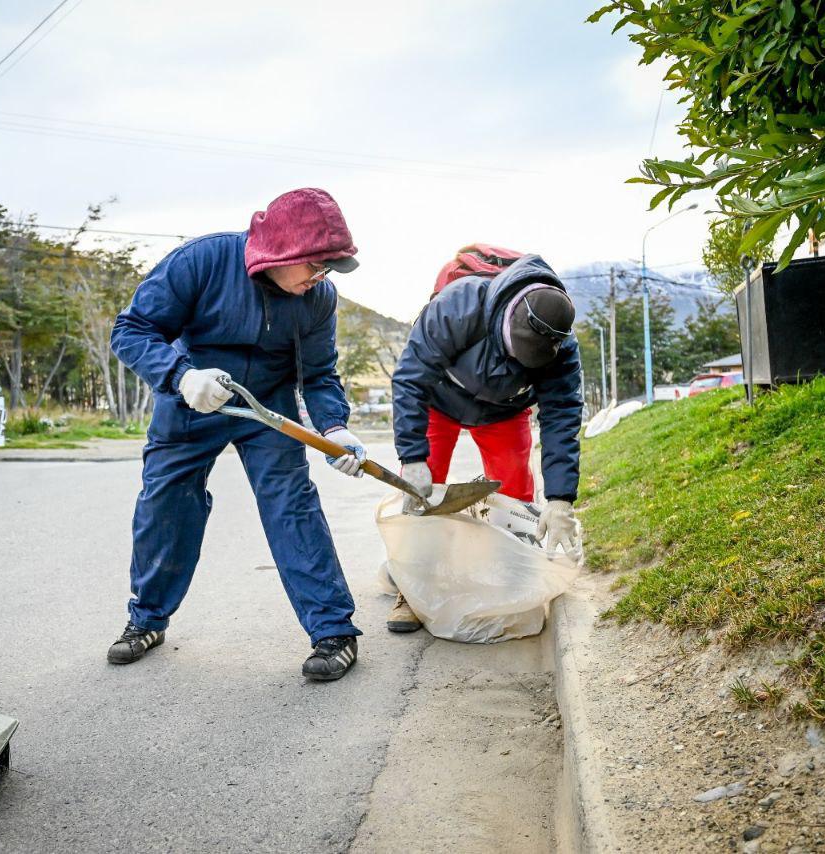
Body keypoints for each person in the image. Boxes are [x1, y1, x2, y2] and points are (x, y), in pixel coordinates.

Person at [108, 188, 368, 681]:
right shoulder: (201, 261)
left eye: (328, 270)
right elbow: (132, 329)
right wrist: (181, 376)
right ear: (282, 250)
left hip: (267, 406)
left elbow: (318, 374)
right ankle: (146, 619)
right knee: (166, 503)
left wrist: (336, 428)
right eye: (315, 265)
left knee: (291, 504)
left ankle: (334, 631)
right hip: (195, 394)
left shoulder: (318, 299)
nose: (320, 278)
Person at [387, 246, 584, 632]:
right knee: (424, 492)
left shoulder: (564, 350)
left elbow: (561, 418)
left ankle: (514, 579)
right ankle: (411, 591)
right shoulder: (458, 306)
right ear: (506, 321)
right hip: (439, 400)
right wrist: (413, 457)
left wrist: (561, 500)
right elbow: (409, 379)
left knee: (515, 489)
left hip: (505, 411)